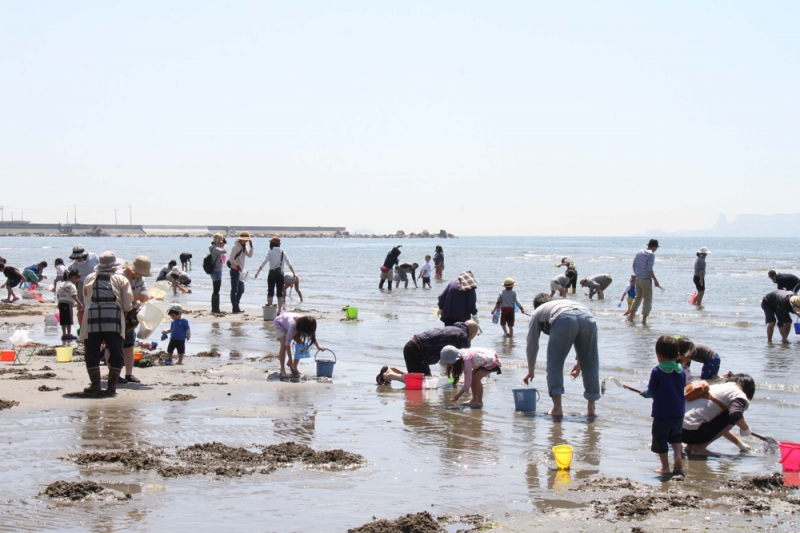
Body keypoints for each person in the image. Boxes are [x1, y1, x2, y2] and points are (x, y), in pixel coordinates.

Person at [524, 293, 600, 416]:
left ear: (536, 306)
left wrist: (531, 369)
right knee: (591, 364)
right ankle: (591, 409)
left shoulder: (537, 312)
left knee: (555, 365)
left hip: (563, 318)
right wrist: (580, 363)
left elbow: (532, 343)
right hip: (588, 317)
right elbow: (579, 338)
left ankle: (557, 409)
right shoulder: (560, 304)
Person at [78, 251, 134, 396]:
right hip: (113, 320)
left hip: (92, 320)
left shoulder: (90, 278)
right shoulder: (121, 280)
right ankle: (112, 387)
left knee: (92, 353)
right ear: (114, 267)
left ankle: (95, 385)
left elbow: (86, 301)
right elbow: (128, 304)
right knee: (116, 353)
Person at [377, 321, 480, 385]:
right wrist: (462, 379)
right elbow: (463, 362)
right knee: (422, 382)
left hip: (412, 346)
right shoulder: (462, 338)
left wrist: (453, 378)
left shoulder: (454, 330)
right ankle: (388, 375)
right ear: (472, 333)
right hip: (416, 350)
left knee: (428, 379)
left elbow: (452, 362)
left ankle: (396, 371)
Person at [639, 336, 686, 477]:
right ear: (677, 354)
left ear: (658, 354)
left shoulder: (657, 371)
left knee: (661, 439)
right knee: (676, 437)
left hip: (662, 414)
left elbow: (651, 392)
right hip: (678, 412)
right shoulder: (681, 371)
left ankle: (665, 467)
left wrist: (644, 394)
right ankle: (678, 456)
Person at [682, 374, 756, 456]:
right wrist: (745, 428)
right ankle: (700, 449)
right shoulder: (738, 393)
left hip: (676, 432)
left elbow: (718, 428)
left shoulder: (715, 387)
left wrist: (739, 443)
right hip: (692, 433)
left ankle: (690, 447)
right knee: (731, 415)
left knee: (700, 416)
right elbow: (735, 415)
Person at [119, 256, 152, 384]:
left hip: (131, 314)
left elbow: (146, 295)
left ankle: (129, 374)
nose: (139, 276)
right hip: (119, 313)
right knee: (113, 345)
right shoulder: (120, 277)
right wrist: (138, 297)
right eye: (138, 273)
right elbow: (121, 297)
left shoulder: (140, 278)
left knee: (129, 345)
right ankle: (114, 373)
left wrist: (136, 297)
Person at [274, 312, 325, 380]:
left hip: (294, 326)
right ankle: (282, 369)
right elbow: (287, 343)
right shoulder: (293, 325)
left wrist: (318, 346)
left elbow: (312, 335)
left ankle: (294, 367)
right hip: (281, 324)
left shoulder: (307, 323)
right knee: (283, 345)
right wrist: (290, 359)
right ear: (304, 327)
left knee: (301, 343)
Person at [254, 236, 298, 315]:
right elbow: (289, 263)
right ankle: (279, 311)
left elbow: (264, 262)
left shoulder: (270, 252)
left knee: (270, 291)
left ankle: (270, 309)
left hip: (272, 273)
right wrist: (294, 273)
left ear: (272, 244)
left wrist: (258, 272)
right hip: (280, 274)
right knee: (279, 293)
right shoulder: (283, 252)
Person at [628, 239, 661, 325]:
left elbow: (634, 264)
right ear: (654, 247)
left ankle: (631, 316)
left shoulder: (639, 252)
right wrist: (655, 280)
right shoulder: (651, 255)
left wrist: (637, 274)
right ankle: (644, 320)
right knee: (647, 299)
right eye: (656, 247)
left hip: (638, 279)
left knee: (638, 298)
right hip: (646, 279)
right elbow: (649, 269)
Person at [229, 231, 253, 314]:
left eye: (247, 240)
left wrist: (251, 247)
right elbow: (231, 259)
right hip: (235, 270)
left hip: (240, 271)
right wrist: (237, 265)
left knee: (241, 290)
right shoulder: (236, 247)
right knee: (234, 289)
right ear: (240, 239)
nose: (246, 241)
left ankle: (237, 304)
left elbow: (250, 255)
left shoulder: (244, 247)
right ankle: (235, 306)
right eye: (245, 240)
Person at [57, 270, 82, 341]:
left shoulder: (62, 284)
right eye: (77, 279)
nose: (77, 281)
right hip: (67, 303)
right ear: (74, 277)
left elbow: (58, 294)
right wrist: (80, 304)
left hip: (61, 303)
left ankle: (64, 334)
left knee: (63, 319)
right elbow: (74, 295)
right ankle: (68, 334)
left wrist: (58, 302)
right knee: (68, 320)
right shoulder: (71, 285)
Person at [208, 233, 227, 314]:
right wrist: (225, 245)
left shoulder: (211, 247)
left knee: (215, 290)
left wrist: (221, 245)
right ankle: (215, 309)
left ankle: (215, 308)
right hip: (217, 270)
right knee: (216, 290)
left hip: (214, 270)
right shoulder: (215, 249)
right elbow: (224, 251)